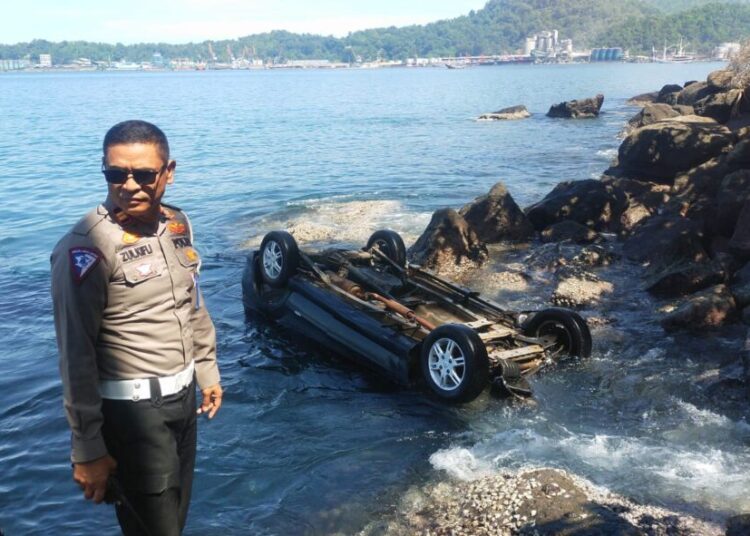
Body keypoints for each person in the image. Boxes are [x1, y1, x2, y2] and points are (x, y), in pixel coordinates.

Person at [51, 120, 223, 535]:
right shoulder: (86, 247)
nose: (129, 186)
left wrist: (207, 370)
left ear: (168, 172)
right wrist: (88, 448)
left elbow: (191, 303)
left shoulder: (177, 225)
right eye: (116, 174)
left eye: (144, 174)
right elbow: (76, 355)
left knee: (173, 520)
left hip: (182, 404)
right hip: (132, 417)